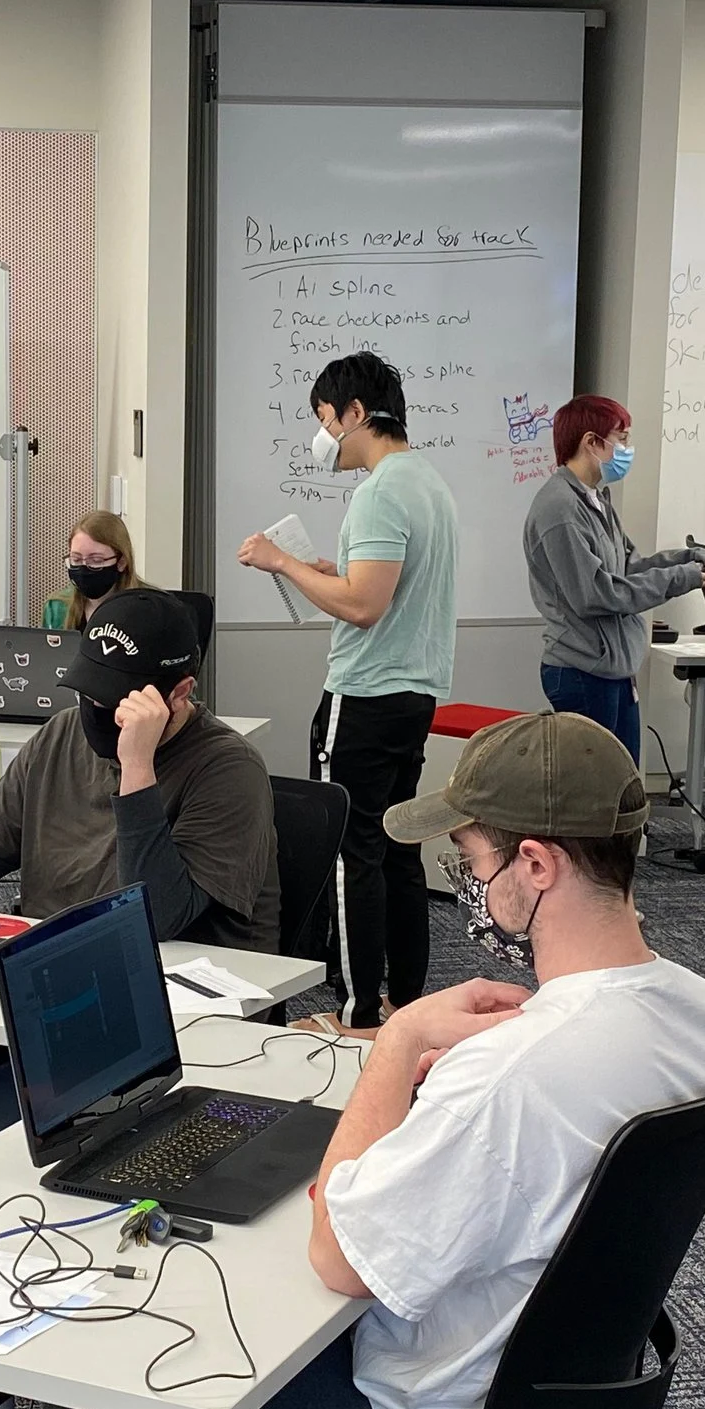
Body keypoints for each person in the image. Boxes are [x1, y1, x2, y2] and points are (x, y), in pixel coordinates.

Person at [44, 711, 705, 1409]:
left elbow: (339, 1258)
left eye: (471, 855)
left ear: (536, 866)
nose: (464, 879)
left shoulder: (511, 1082)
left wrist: (398, 1044)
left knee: (94, 1408)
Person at [0, 590, 278, 1186]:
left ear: (178, 693)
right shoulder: (60, 737)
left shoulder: (228, 769)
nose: (93, 710)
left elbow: (163, 918)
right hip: (43, 983)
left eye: (113, 701)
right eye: (86, 692)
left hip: (146, 1003)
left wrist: (137, 770)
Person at [236, 351, 458, 1036]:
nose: (322, 434)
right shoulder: (428, 483)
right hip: (414, 691)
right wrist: (320, 571)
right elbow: (377, 588)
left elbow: (363, 606)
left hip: (364, 695)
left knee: (351, 850)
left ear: (356, 413)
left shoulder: (380, 491)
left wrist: (281, 563)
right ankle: (405, 998)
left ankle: (361, 1013)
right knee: (397, 845)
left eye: (325, 418)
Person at [523, 393, 705, 763]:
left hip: (611, 670)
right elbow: (595, 594)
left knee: (621, 785)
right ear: (591, 442)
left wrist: (685, 560)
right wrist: (679, 579)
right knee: (593, 793)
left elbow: (627, 567)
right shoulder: (560, 507)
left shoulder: (596, 498)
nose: (627, 448)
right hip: (582, 671)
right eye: (621, 438)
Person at [44, 511, 142, 630]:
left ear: (121, 562)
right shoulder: (57, 607)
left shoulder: (149, 608)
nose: (84, 568)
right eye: (76, 559)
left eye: (96, 560)